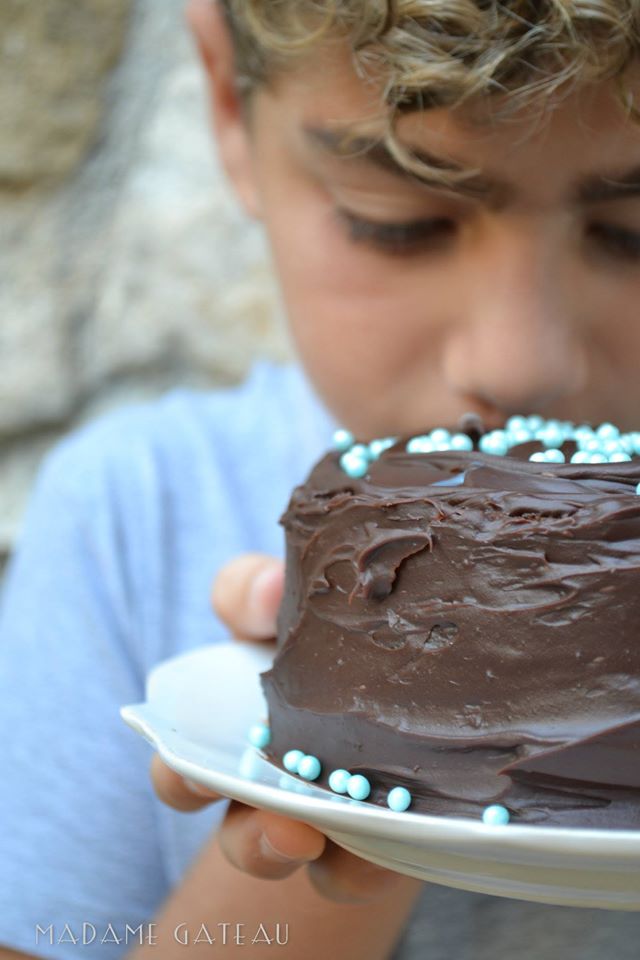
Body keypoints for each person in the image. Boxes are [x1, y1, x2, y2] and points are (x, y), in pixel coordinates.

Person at [2, 0, 640, 956]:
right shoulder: (129, 513)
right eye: (400, 222)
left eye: (634, 232)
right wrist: (362, 765)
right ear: (226, 99)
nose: (519, 364)